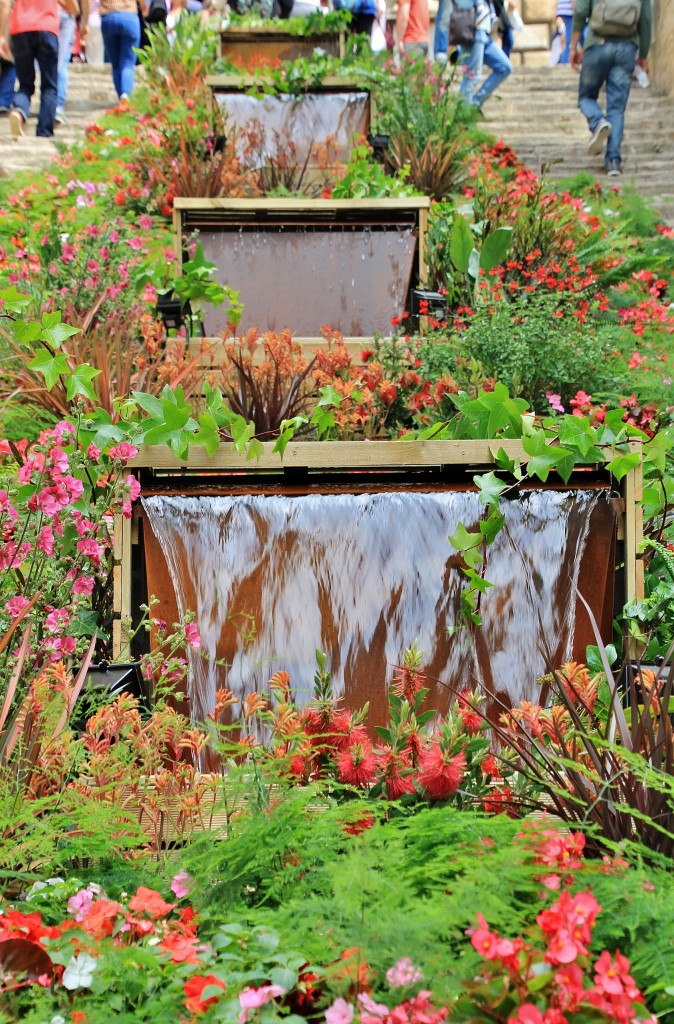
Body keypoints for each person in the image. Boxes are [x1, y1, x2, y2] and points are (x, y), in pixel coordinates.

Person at [571, 0, 652, 177]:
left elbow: (581, 11)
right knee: (616, 107)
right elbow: (646, 20)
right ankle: (613, 162)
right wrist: (643, 55)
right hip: (626, 48)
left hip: (597, 44)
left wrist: (574, 45)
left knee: (586, 97)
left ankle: (597, 121)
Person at [0, 0, 59, 138]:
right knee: (49, 86)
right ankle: (44, 132)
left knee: (25, 85)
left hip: (20, 29)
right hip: (47, 28)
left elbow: (4, 3)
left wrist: (2, 35)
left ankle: (19, 111)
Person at [459, 0, 512, 110]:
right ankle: (462, 116)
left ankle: (473, 105)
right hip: (474, 28)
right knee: (471, 76)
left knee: (504, 67)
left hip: (485, 30)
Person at [100, 0, 141, 104]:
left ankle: (121, 98)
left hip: (108, 17)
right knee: (127, 63)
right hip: (130, 16)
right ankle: (125, 94)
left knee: (116, 64)